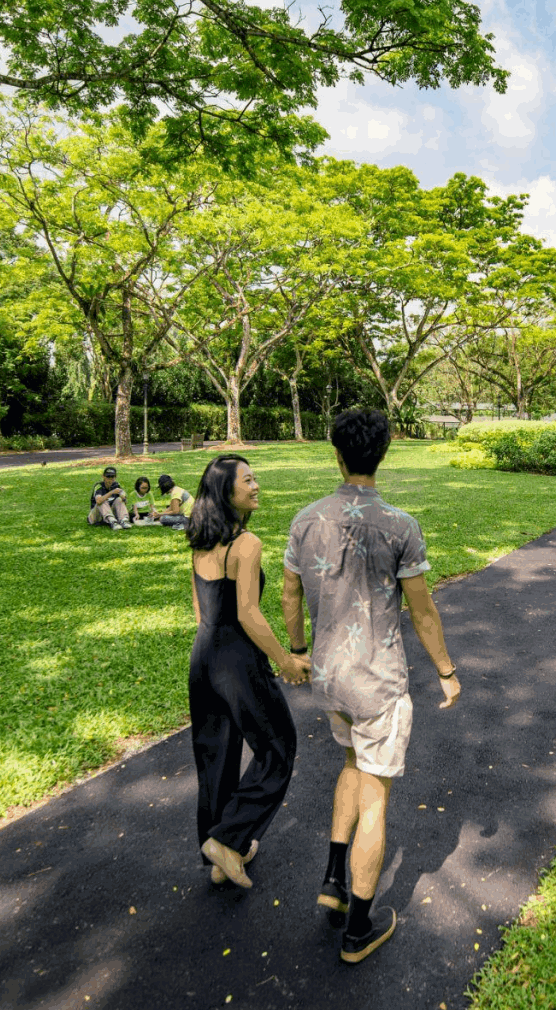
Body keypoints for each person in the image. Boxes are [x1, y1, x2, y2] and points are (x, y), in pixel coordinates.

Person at [282, 408, 459, 965]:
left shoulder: (305, 520)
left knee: (353, 767)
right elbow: (423, 612)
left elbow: (289, 595)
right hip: (378, 681)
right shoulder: (400, 525)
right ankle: (358, 929)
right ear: (382, 453)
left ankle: (333, 881)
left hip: (330, 679)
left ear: (336, 452)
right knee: (376, 795)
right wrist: (447, 673)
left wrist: (298, 650)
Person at [185, 455, 307, 889]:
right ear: (227, 491)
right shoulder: (247, 544)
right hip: (239, 659)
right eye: (248, 480)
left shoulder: (200, 539)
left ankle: (222, 855)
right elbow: (249, 613)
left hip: (203, 656)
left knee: (215, 755)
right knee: (278, 746)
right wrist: (287, 659)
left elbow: (201, 608)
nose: (256, 485)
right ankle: (228, 838)